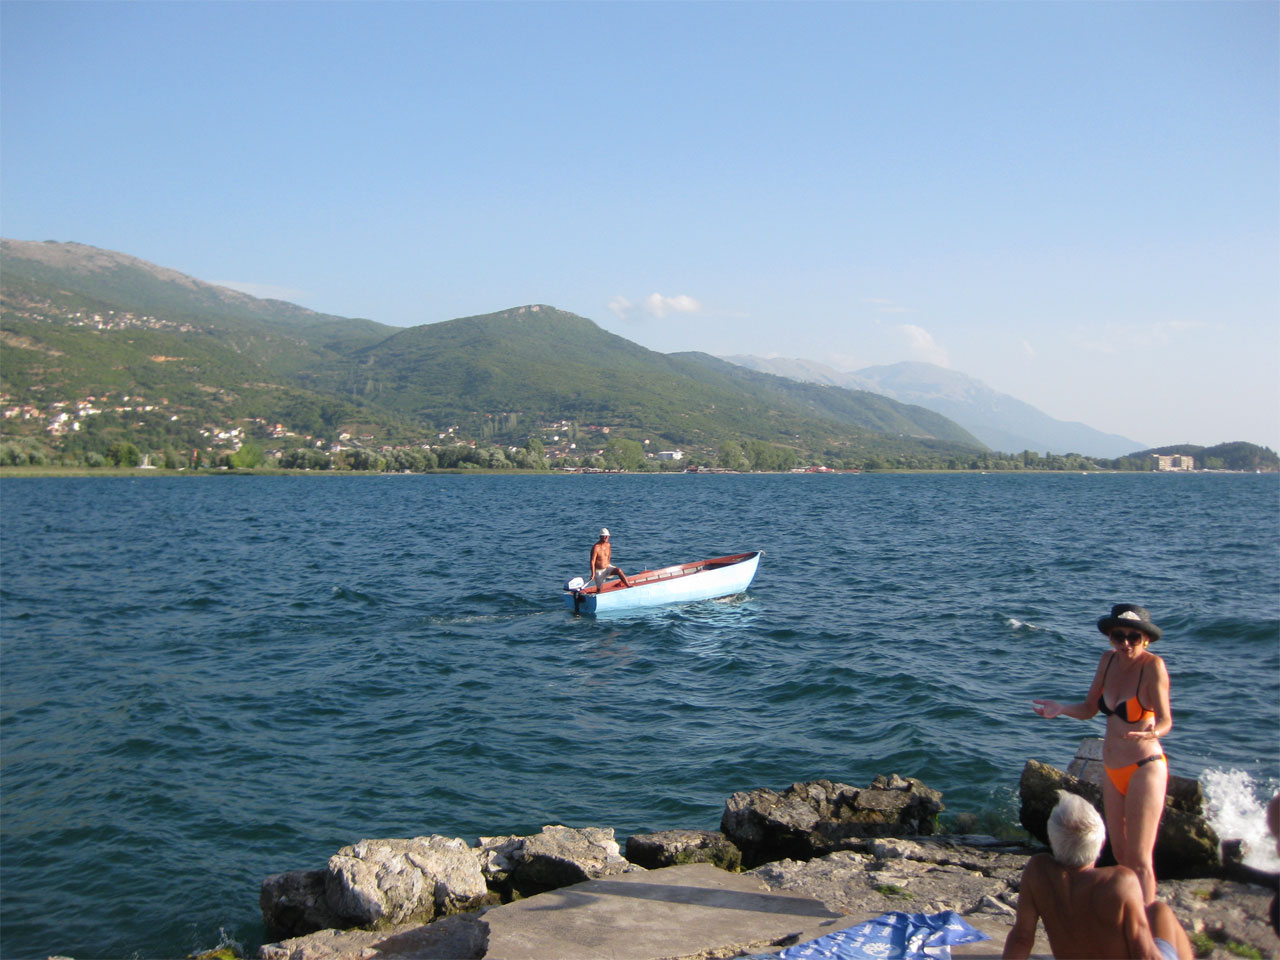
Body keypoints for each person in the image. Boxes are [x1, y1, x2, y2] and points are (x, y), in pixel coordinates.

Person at [1032, 603, 1171, 904]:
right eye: (1118, 636)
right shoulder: (1108, 661)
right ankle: (1128, 916)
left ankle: (1146, 932)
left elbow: (1165, 719)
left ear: (1145, 639)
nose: (1125, 644)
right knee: (1120, 854)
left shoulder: (1153, 667)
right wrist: (1061, 709)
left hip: (1144, 766)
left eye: (1133, 637)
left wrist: (1154, 732)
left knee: (1140, 859)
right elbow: (1089, 709)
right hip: (1112, 767)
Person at [1003, 791, 1194, 959]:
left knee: (1151, 912)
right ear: (1101, 842)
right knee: (1160, 911)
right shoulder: (1121, 881)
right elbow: (1144, 953)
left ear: (1052, 839)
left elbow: (1021, 939)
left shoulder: (1037, 871)